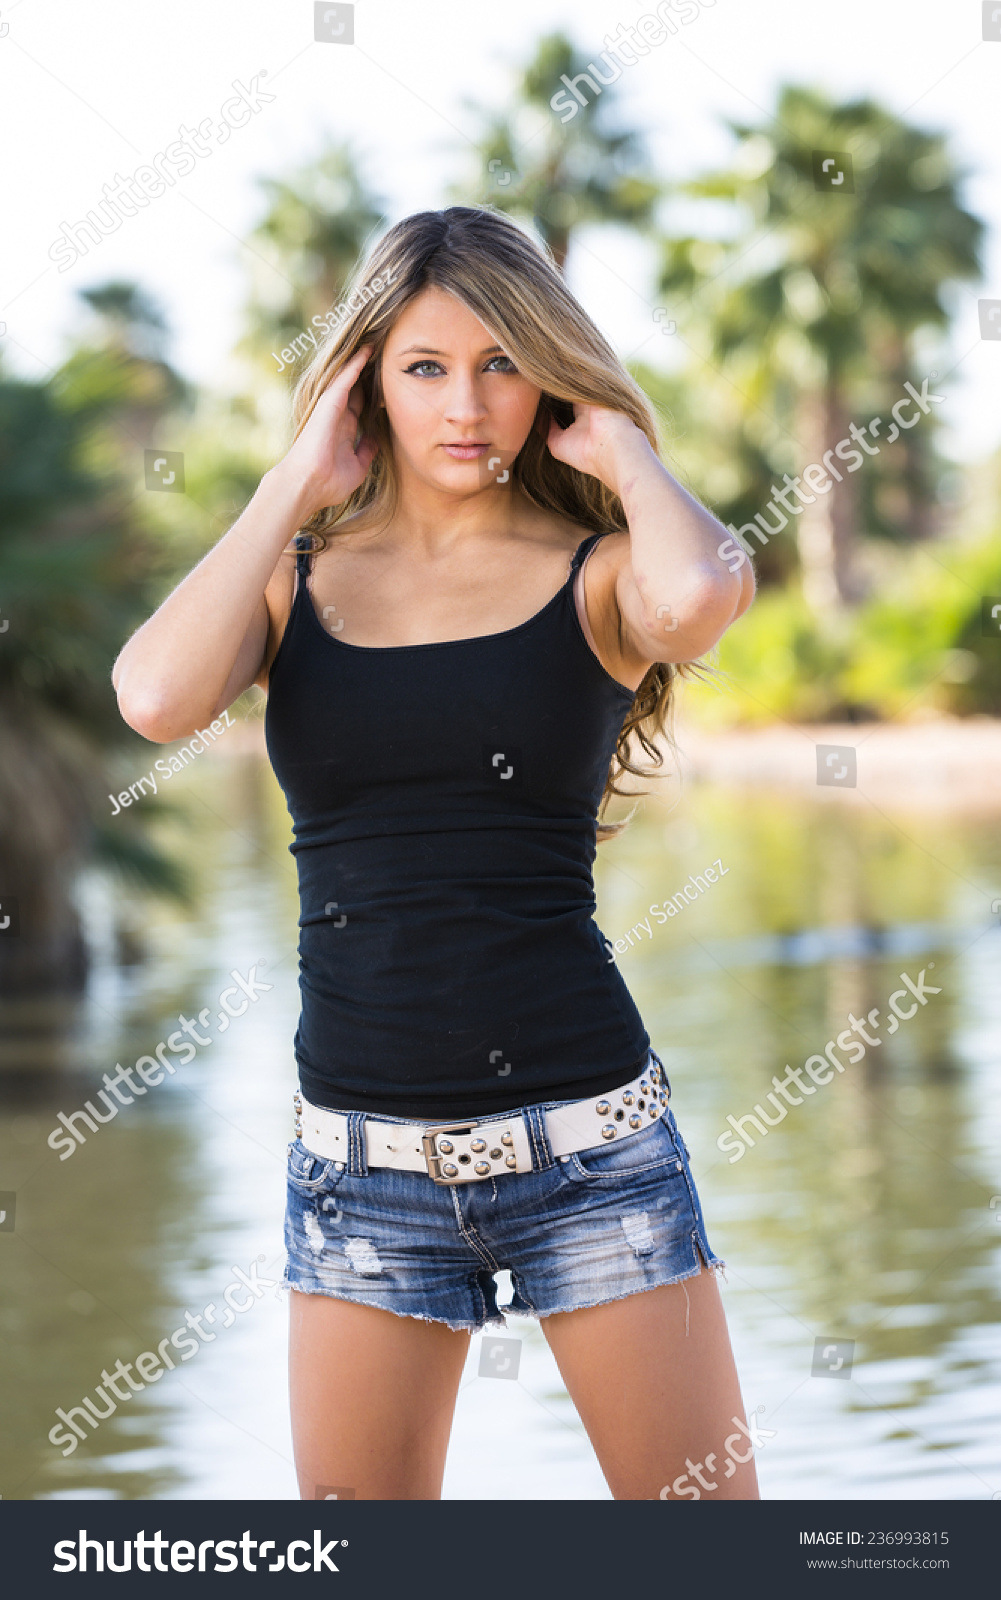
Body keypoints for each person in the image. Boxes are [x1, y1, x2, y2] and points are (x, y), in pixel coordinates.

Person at [113, 206, 757, 1502]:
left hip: (589, 1154)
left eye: (502, 363)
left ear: (547, 377)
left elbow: (696, 602)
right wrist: (290, 483)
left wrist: (625, 449)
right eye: (423, 367)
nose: (466, 403)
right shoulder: (294, 580)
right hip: (358, 1175)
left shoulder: (600, 573)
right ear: (364, 383)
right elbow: (155, 699)